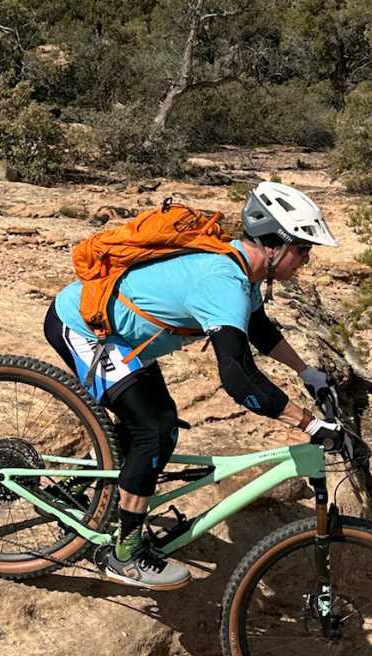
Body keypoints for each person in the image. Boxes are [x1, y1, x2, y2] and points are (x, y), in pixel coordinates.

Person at [43, 181, 342, 590]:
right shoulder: (223, 280)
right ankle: (124, 555)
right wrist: (306, 422)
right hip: (84, 328)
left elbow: (258, 329)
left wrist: (307, 372)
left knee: (154, 420)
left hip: (125, 342)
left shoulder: (241, 269)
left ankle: (90, 490)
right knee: (153, 429)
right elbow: (237, 377)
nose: (305, 261)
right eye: (302, 250)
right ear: (274, 246)